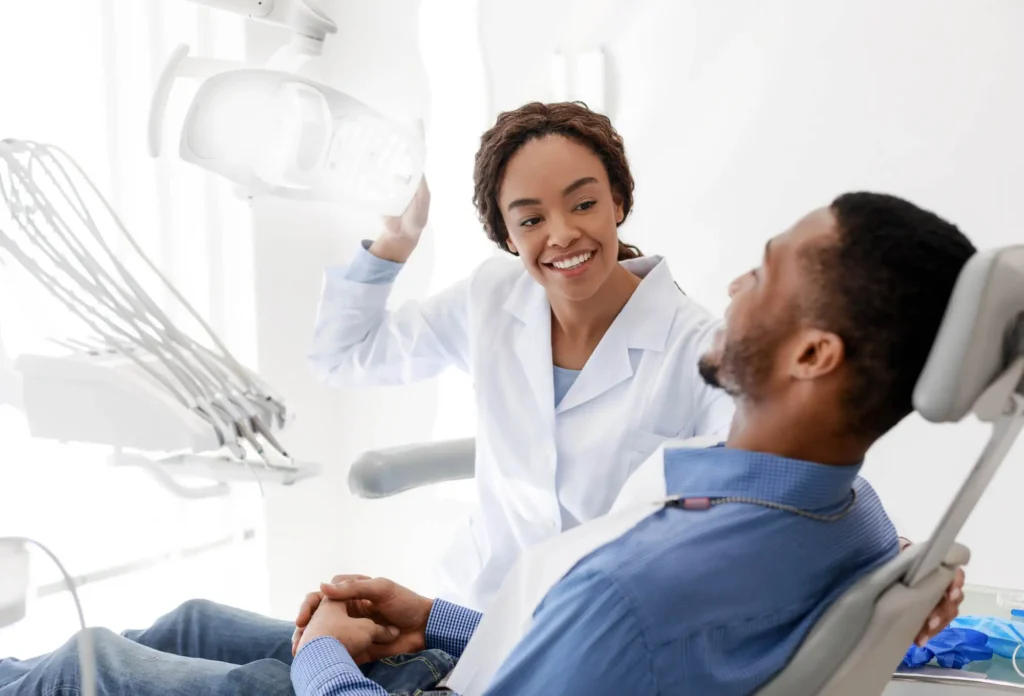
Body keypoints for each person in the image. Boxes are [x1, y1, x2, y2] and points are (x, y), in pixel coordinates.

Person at [0, 192, 973, 696]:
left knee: (86, 661)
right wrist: (436, 615)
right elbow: (608, 659)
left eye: (762, 275)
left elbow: (617, 628)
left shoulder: (642, 586)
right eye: (527, 213)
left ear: (812, 351)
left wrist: (324, 665)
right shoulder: (848, 518)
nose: (733, 287)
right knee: (194, 617)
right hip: (474, 655)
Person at [308, 101, 737, 611]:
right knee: (202, 628)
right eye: (532, 219)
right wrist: (398, 238)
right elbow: (343, 354)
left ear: (617, 202)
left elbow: (736, 526)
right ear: (508, 236)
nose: (561, 234)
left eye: (583, 205)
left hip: (591, 631)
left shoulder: (702, 351)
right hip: (467, 610)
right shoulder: (493, 296)